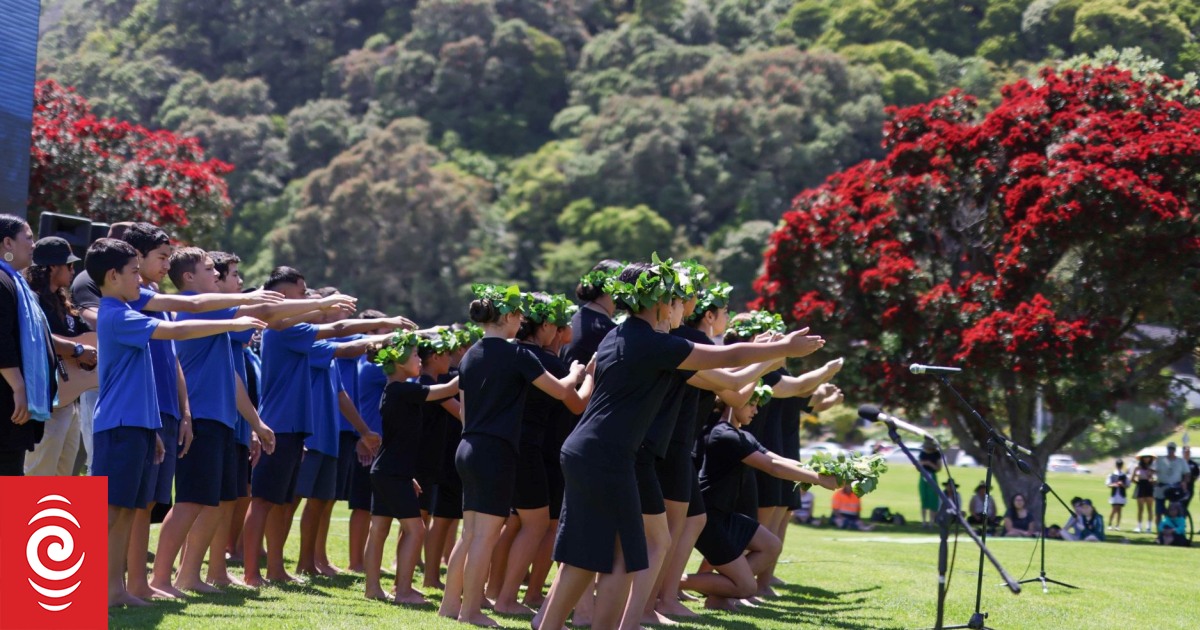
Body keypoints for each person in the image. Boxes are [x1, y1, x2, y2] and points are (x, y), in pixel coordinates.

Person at [533, 259, 828, 630]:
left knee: (586, 553)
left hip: (588, 450)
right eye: (675, 299)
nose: (680, 307)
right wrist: (782, 347)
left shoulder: (620, 335)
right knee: (623, 556)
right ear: (659, 304)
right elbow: (729, 356)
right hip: (607, 455)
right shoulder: (653, 343)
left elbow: (724, 375)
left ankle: (547, 625)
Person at [84, 238, 268, 607]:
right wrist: (240, 309)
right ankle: (77, 588)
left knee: (125, 513)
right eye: (135, 271)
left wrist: (243, 301)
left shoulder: (131, 303)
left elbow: (192, 303)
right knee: (109, 513)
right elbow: (180, 328)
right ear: (112, 275)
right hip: (120, 424)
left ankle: (114, 590)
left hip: (138, 423)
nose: (142, 278)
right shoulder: (117, 313)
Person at [242, 266, 410, 587]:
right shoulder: (284, 329)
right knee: (263, 501)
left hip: (294, 429)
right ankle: (252, 573)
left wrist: (385, 332)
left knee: (278, 502)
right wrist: (385, 325)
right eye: (301, 293)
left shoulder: (299, 335)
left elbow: (345, 341)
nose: (307, 298)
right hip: (279, 426)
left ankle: (275, 569)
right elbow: (342, 330)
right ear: (282, 297)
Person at [438, 284, 587, 627]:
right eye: (519, 314)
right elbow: (563, 392)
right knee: (485, 536)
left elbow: (463, 406)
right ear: (507, 317)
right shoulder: (518, 355)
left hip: (468, 447)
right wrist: (579, 372)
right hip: (496, 451)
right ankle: (471, 610)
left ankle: (450, 606)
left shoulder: (472, 353)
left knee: (471, 533)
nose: (522, 321)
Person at [680, 387, 838, 612]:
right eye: (751, 404)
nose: (756, 410)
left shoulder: (743, 434)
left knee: (771, 546)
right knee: (746, 587)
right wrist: (818, 479)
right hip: (709, 517)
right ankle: (667, 582)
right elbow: (771, 467)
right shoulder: (723, 435)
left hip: (726, 515)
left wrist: (828, 471)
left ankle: (717, 597)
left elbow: (779, 459)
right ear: (734, 402)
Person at [492, 294, 591, 616]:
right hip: (539, 451)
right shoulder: (545, 361)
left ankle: (496, 590)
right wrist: (587, 374)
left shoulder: (510, 353)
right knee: (543, 526)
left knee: (513, 524)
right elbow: (576, 403)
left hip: (511, 446)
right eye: (560, 326)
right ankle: (526, 593)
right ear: (547, 326)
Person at [363, 331, 460, 605]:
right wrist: (479, 365)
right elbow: (450, 389)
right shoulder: (403, 390)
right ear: (400, 361)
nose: (420, 359)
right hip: (392, 472)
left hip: (390, 470)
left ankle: (374, 588)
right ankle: (403, 591)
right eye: (416, 355)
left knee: (379, 529)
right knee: (416, 530)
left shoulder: (396, 389)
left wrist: (408, 477)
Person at [23, 236, 97, 476]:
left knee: (64, 477)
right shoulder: (31, 300)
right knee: (38, 474)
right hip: (45, 402)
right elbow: (39, 338)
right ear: (52, 267)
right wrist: (76, 350)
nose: (74, 270)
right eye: (69, 265)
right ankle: (20, 516)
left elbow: (86, 338)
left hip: (68, 399)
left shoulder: (62, 301)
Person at [0, 215, 56, 476]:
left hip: (14, 406)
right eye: (29, 238)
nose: (34, 244)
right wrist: (19, 387)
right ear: (8, 243)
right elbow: (1, 339)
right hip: (8, 402)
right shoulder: (2, 281)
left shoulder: (17, 283)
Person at [1154, 442, 1190, 527]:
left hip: (1175, 488)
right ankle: (1160, 534)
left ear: (1175, 450)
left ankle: (1175, 531)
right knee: (1158, 511)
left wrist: (1184, 482)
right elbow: (1153, 471)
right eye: (1169, 449)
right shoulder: (1160, 460)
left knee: (1175, 511)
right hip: (1161, 487)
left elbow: (1187, 474)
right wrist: (1152, 477)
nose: (1171, 451)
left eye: (1172, 449)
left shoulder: (1181, 461)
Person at [917, 437, 943, 528]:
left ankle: (931, 521)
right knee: (924, 497)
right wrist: (922, 464)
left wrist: (930, 464)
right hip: (923, 475)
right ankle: (924, 521)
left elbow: (939, 468)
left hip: (932, 475)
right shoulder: (922, 453)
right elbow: (918, 466)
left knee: (933, 499)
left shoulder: (936, 454)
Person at [1131, 454, 1156, 532]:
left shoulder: (1152, 468)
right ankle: (1139, 526)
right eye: (1145, 457)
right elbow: (1132, 479)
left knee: (1149, 508)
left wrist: (1151, 478)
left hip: (1149, 487)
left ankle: (1149, 527)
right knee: (1140, 508)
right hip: (1141, 486)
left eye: (1148, 457)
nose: (1146, 459)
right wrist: (1138, 483)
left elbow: (1156, 479)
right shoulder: (1137, 468)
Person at [1106, 459, 1129, 530]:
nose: (1119, 466)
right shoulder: (1112, 474)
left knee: (1119, 510)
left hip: (1121, 495)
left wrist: (1122, 485)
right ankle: (1109, 524)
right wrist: (1114, 484)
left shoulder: (1124, 475)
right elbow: (1108, 484)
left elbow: (1127, 485)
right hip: (1114, 495)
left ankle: (1117, 525)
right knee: (1114, 509)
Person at [1184, 445, 1198, 515]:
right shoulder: (1179, 462)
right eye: (1186, 452)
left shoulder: (1193, 464)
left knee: (1185, 506)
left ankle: (1182, 521)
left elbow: (1196, 476)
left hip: (1189, 488)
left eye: (1188, 452)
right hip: (1179, 487)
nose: (1187, 453)